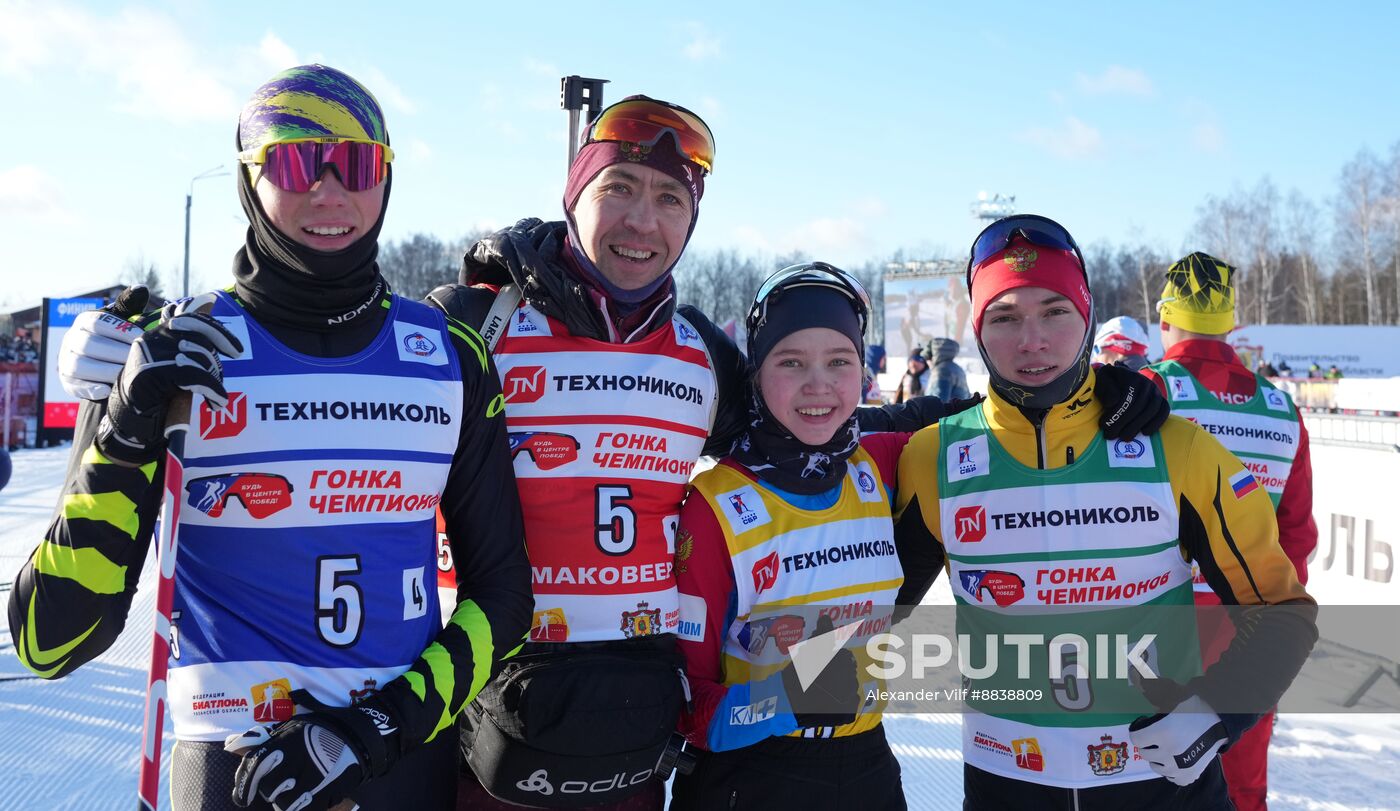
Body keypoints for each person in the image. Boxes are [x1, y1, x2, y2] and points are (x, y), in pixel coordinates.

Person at [54, 95, 1168, 810]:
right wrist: (120, 406)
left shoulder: (706, 355)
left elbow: (816, 430)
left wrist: (1068, 392)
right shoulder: (475, 322)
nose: (642, 220)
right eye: (618, 191)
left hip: (638, 720)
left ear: (692, 223)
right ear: (573, 197)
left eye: (669, 199)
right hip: (482, 707)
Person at [9, 64, 532, 811]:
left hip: (395, 758)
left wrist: (375, 726)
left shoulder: (449, 355)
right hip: (232, 766)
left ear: (386, 179)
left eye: (355, 164)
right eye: (293, 162)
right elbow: (49, 639)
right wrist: (122, 433)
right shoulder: (176, 351)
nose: (329, 191)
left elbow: (505, 598)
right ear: (250, 180)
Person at [893, 215, 1316, 809]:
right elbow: (872, 608)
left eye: (1055, 311)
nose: (1031, 339)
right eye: (1005, 316)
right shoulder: (931, 457)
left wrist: (1216, 711)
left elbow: (1282, 610)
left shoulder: (1178, 448)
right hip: (1006, 782)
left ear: (1087, 315)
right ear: (977, 329)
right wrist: (770, 683)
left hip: (1159, 784)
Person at [671, 263, 909, 809]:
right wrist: (782, 699)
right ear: (756, 373)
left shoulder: (881, 462)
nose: (818, 384)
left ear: (863, 371)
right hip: (754, 774)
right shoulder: (715, 505)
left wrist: (1118, 387)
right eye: (791, 361)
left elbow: (990, 418)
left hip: (868, 765)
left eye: (839, 361)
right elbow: (686, 704)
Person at [1143, 251, 1317, 811]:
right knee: (1240, 786)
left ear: (1164, 318)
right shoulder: (1280, 408)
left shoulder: (1144, 393)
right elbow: (1296, 535)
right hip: (1251, 622)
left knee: (1142, 779)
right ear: (1233, 325)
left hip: (1154, 623)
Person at [923, 337, 970, 402]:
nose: (927, 362)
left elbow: (939, 402)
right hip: (959, 411)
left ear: (934, 356)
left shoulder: (941, 371)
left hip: (949, 412)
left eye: (927, 358)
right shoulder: (957, 369)